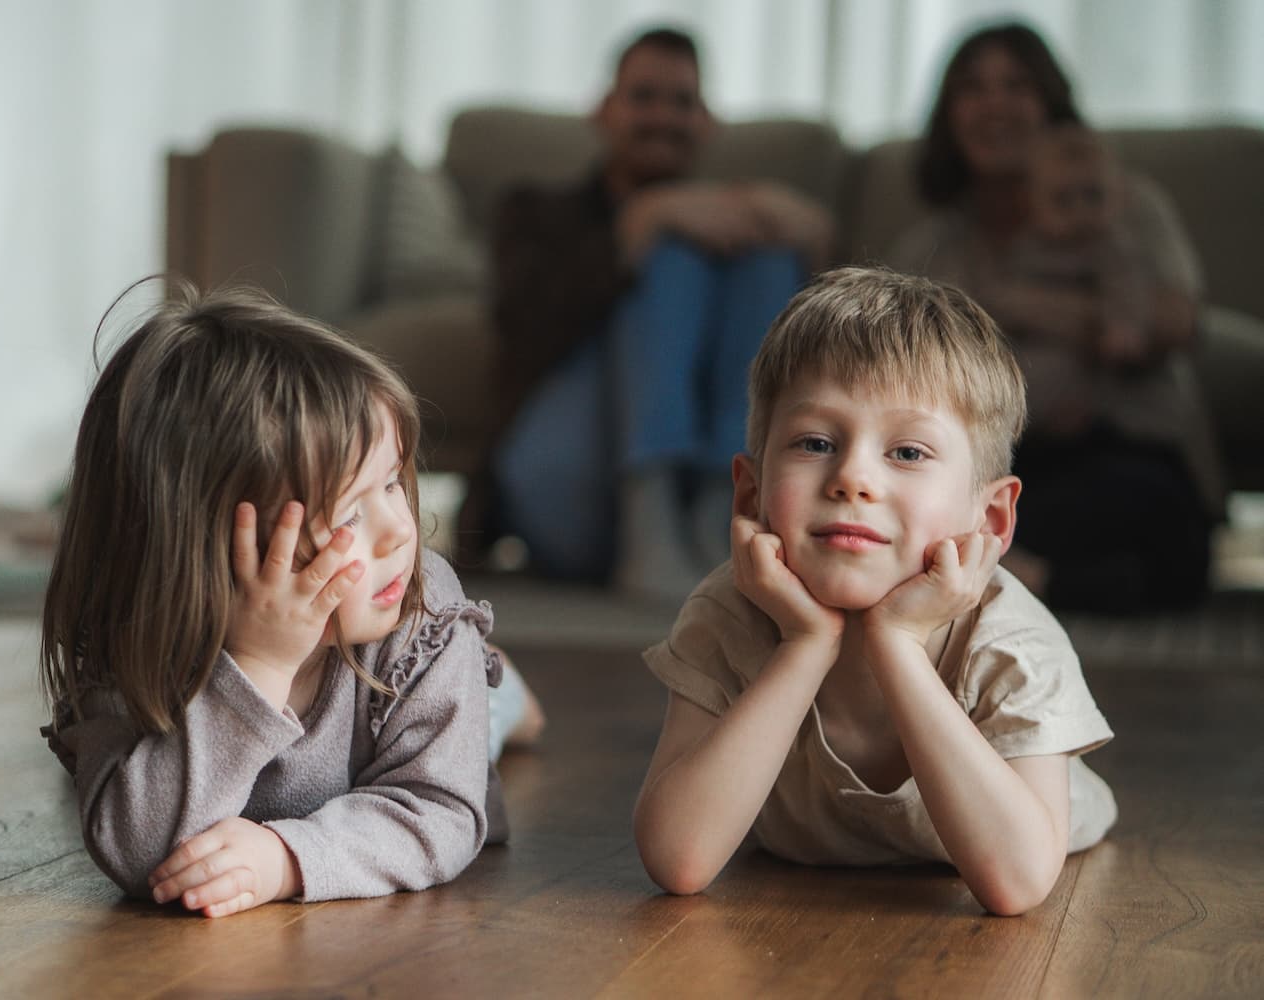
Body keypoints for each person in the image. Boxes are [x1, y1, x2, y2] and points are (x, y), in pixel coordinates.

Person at [39, 280, 542, 917]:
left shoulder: (423, 620)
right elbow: (141, 854)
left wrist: (287, 858)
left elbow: (439, 810)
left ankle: (499, 687)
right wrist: (259, 665)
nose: (399, 531)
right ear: (205, 551)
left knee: (483, 714)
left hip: (420, 709)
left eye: (392, 483)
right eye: (350, 513)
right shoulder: (140, 640)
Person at [632, 267, 1116, 917]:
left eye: (908, 452)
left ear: (991, 519)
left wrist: (899, 641)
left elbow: (1018, 884)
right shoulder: (728, 615)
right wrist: (805, 645)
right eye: (815, 442)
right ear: (749, 493)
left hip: (1031, 831)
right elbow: (678, 859)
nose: (853, 477)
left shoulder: (1013, 641)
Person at [473, 24, 833, 604]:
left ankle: (724, 506)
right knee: (669, 258)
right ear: (603, 110)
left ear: (706, 122)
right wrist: (637, 226)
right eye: (644, 97)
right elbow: (523, 326)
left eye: (682, 102)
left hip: (697, 510)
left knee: (766, 254)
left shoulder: (733, 224)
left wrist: (798, 227)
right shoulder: (535, 208)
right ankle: (651, 512)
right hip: (572, 488)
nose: (663, 116)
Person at [889, 21, 1222, 614]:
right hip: (1003, 462)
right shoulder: (931, 247)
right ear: (949, 116)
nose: (995, 105)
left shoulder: (1120, 204)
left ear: (1050, 104)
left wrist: (1026, 309)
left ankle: (1015, 576)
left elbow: (1177, 323)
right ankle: (1029, 575)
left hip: (1124, 447)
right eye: (972, 88)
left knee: (1159, 517)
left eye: (1016, 85)